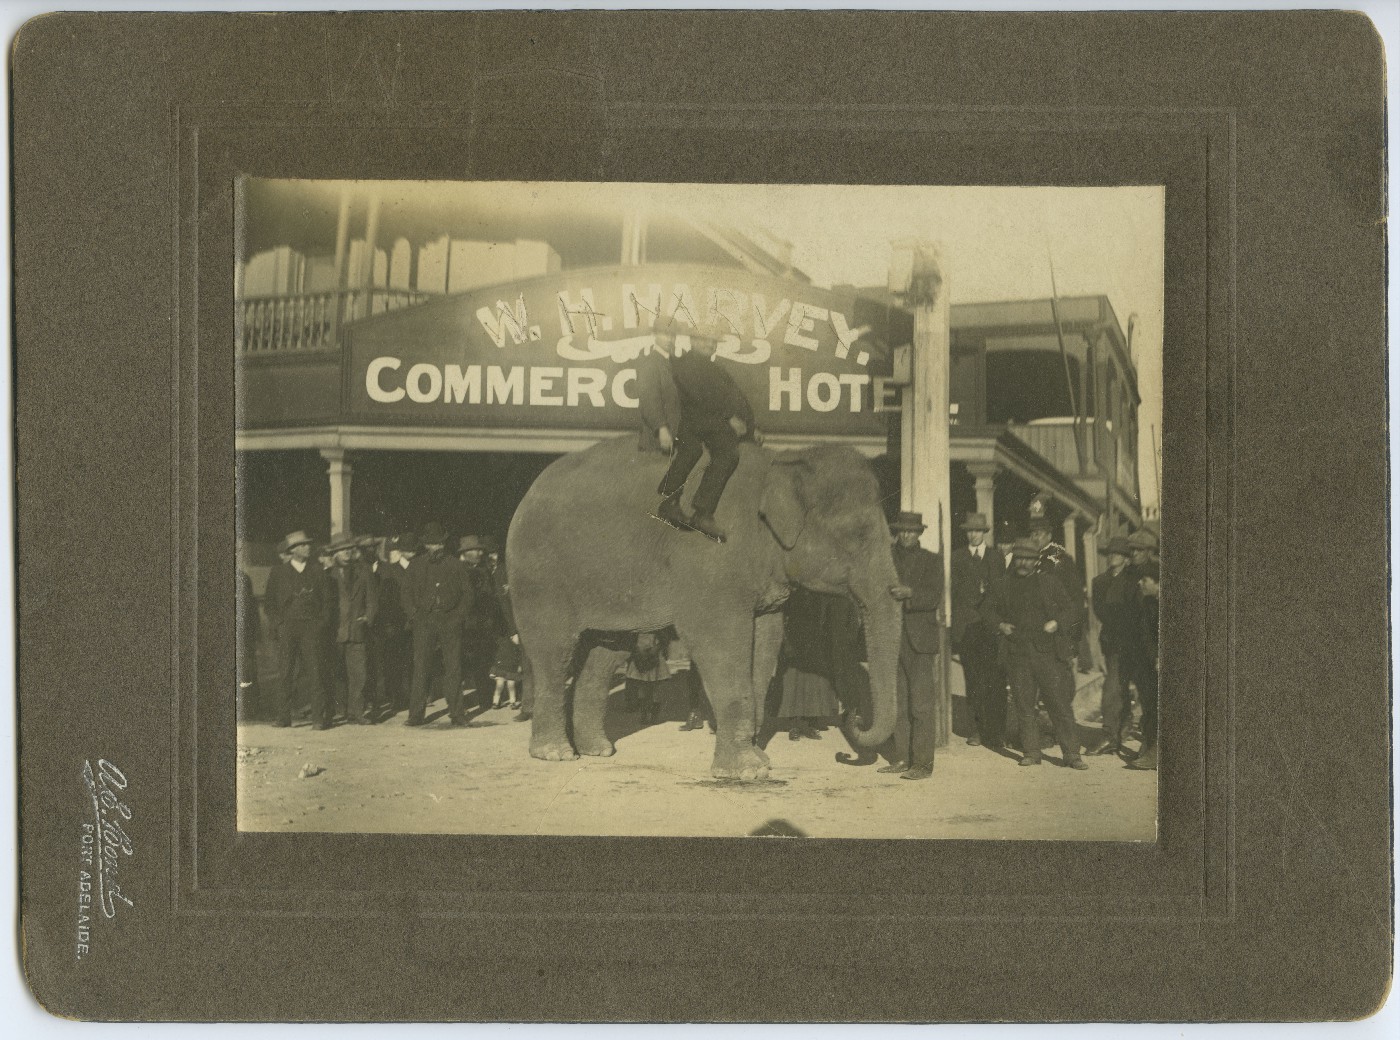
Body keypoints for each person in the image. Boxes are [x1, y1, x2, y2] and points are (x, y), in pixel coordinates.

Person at [637, 317, 763, 542]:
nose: (709, 345)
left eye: (713, 342)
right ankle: (677, 502)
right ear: (693, 342)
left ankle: (700, 512)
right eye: (704, 340)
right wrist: (661, 428)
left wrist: (751, 427)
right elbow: (696, 396)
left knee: (727, 452)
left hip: (711, 423)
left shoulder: (711, 368)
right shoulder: (683, 363)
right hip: (695, 423)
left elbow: (735, 397)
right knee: (702, 450)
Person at [985, 539, 1087, 769]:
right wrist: (1000, 625)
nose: (1023, 563)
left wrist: (1056, 623)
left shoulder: (1048, 582)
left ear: (1035, 561)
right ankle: (1031, 752)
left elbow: (1072, 609)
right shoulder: (1003, 584)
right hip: (1017, 653)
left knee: (1059, 705)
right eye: (1019, 558)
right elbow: (987, 610)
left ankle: (1072, 755)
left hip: (1047, 654)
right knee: (1024, 706)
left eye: (1028, 559)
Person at [881, 511, 943, 781]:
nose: (906, 535)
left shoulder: (932, 561)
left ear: (920, 533)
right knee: (899, 704)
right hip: (893, 638)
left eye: (911, 531)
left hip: (920, 641)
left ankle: (922, 764)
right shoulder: (885, 559)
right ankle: (903, 757)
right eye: (902, 531)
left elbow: (934, 596)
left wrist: (911, 594)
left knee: (920, 704)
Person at [405, 522, 472, 728]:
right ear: (426, 546)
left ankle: (457, 714)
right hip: (424, 622)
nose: (437, 548)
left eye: (440, 544)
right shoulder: (415, 566)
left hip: (449, 621)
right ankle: (416, 715)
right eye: (433, 545)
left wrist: (458, 616)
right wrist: (415, 615)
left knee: (453, 668)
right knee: (421, 667)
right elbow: (405, 594)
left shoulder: (456, 565)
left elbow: (467, 594)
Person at [266, 530, 332, 730]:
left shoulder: (317, 571)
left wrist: (320, 624)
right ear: (292, 550)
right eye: (302, 545)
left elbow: (327, 602)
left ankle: (318, 719)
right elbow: (269, 603)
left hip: (311, 628)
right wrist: (279, 624)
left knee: (315, 672)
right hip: (287, 628)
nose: (308, 548)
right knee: (285, 672)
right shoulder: (278, 572)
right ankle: (283, 717)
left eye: (308, 544)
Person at [950, 511, 1005, 748]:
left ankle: (996, 732)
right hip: (967, 628)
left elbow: (1000, 590)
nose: (973, 535)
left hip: (990, 628)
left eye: (977, 531)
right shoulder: (957, 557)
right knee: (973, 681)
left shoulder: (995, 557)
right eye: (970, 531)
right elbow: (953, 593)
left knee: (993, 680)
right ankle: (977, 730)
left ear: (984, 533)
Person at [773, 587, 851, 741]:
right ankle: (795, 725)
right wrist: (787, 642)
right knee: (794, 683)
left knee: (815, 684)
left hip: (815, 639)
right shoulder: (792, 591)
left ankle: (812, 724)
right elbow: (783, 617)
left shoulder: (820, 592)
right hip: (794, 637)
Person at [1087, 534, 1137, 755]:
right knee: (1112, 686)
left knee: (1125, 685)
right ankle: (1110, 735)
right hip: (1113, 642)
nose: (1114, 557)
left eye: (1119, 554)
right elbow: (1100, 612)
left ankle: (1125, 723)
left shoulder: (1135, 580)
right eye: (1111, 553)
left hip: (1136, 641)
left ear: (1127, 558)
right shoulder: (1099, 582)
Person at [327, 532, 380, 724]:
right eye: (342, 550)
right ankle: (339, 710)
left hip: (358, 630)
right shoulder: (328, 574)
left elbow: (372, 599)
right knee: (336, 673)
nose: (347, 553)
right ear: (335, 554)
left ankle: (356, 712)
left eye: (350, 549)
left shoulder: (364, 571)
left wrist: (368, 617)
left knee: (359, 674)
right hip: (336, 632)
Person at [1124, 527, 1161, 771]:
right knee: (1147, 701)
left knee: (1158, 702)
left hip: (1156, 650)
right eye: (1132, 550)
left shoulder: (1158, 573)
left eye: (1139, 550)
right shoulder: (1129, 575)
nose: (1134, 554)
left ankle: (1155, 751)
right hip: (1140, 648)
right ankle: (1148, 745)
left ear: (1149, 552)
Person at [458, 534, 503, 713]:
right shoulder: (457, 570)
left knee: (483, 663)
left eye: (480, 550)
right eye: (475, 550)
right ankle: (459, 703)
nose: (479, 553)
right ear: (466, 553)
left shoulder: (484, 570)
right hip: (464, 625)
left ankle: (485, 700)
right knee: (460, 665)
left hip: (483, 626)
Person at [375, 533, 417, 716]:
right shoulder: (388, 571)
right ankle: (397, 698)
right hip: (395, 624)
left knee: (414, 661)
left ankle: (416, 695)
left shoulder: (420, 568)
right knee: (394, 662)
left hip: (415, 623)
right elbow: (384, 599)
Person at [483, 535, 521, 709]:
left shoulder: (503, 571)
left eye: (494, 553)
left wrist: (512, 628)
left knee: (506, 656)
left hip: (503, 622)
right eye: (488, 554)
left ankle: (506, 698)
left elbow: (507, 603)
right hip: (489, 621)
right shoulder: (484, 571)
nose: (492, 557)